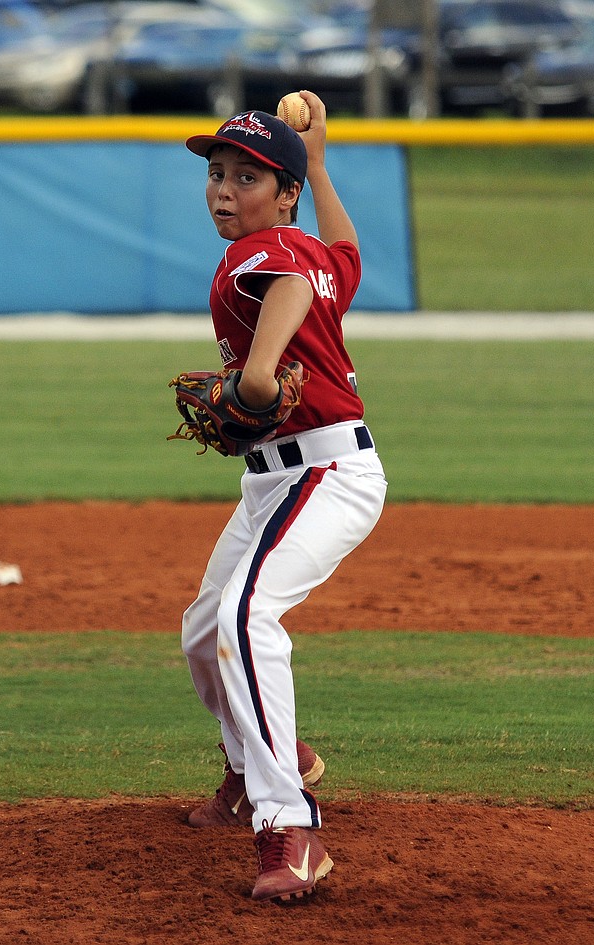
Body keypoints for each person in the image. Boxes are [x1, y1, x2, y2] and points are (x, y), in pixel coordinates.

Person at [180, 91, 388, 903]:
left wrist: (260, 374)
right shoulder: (307, 246)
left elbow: (294, 280)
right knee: (205, 630)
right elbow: (343, 253)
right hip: (277, 478)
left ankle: (290, 825)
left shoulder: (266, 252)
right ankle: (257, 762)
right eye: (218, 173)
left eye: (248, 177)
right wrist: (323, 165)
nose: (224, 191)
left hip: (326, 474)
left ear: (283, 194)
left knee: (246, 617)